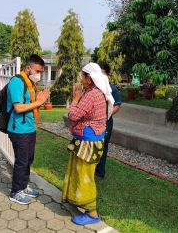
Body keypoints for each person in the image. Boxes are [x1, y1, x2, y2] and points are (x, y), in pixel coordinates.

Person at [62, 63, 114, 225]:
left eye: (82, 76)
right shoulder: (94, 92)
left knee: (85, 176)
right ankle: (77, 200)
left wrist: (76, 99)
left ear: (89, 78)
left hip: (89, 143)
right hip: (87, 141)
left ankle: (92, 213)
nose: (80, 79)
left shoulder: (92, 95)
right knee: (79, 172)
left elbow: (73, 114)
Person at [7, 54, 50, 204]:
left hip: (30, 128)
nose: (39, 74)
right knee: (21, 161)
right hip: (19, 129)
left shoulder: (31, 83)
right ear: (27, 68)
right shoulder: (17, 82)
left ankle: (23, 186)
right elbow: (18, 108)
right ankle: (15, 191)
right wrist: (38, 102)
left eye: (41, 72)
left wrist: (40, 102)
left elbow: (32, 104)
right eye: (37, 71)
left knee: (28, 160)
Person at [95, 62, 121, 180]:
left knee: (103, 146)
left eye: (102, 74)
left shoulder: (112, 89)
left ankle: (99, 172)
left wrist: (104, 116)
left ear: (108, 75)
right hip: (93, 122)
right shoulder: (93, 88)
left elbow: (117, 106)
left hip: (106, 122)